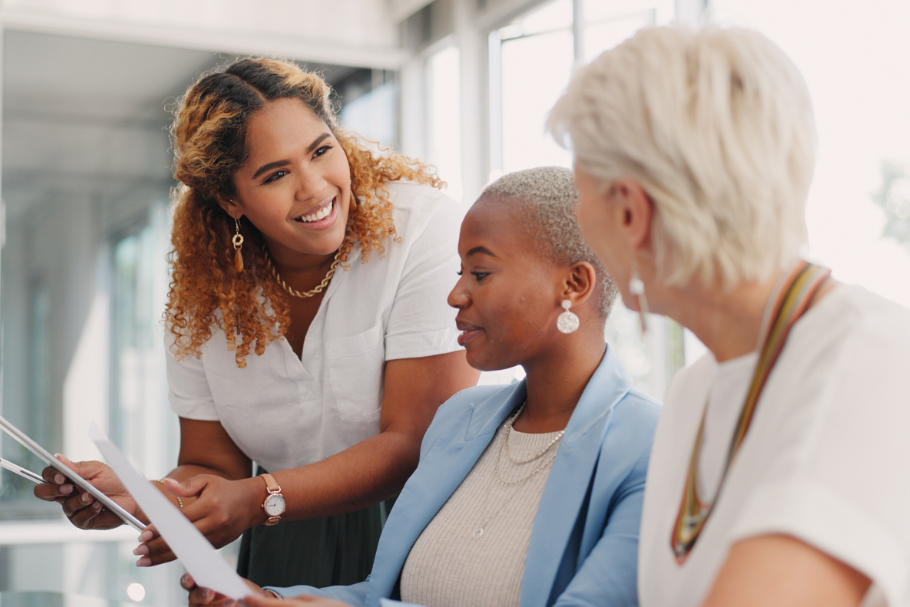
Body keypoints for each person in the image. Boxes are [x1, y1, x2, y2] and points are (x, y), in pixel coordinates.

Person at [34, 57, 479, 588]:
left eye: (320, 151)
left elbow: (413, 441)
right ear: (230, 199)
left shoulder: (422, 228)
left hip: (419, 532)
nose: (314, 188)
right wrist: (142, 496)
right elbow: (211, 464)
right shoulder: (205, 294)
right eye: (276, 174)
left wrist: (256, 498)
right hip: (280, 540)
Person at [547, 24, 910, 607]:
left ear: (632, 212)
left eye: (581, 188)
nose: (579, 215)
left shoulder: (872, 361)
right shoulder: (696, 390)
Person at [182, 166, 661, 607]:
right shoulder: (460, 422)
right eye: (459, 273)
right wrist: (271, 601)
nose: (455, 294)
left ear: (574, 284)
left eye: (480, 272)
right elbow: (381, 593)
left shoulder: (653, 448)